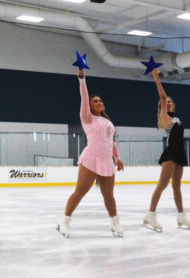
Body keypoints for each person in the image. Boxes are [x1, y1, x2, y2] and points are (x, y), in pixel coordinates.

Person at [57, 69, 124, 237]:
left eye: (100, 100)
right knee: (80, 192)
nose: (99, 102)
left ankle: (115, 222)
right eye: (95, 101)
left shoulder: (107, 121)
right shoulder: (87, 118)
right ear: (90, 105)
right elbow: (84, 98)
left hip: (107, 161)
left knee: (109, 195)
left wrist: (117, 157)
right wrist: (82, 81)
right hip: (90, 159)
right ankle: (64, 221)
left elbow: (111, 141)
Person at [143, 69, 190, 232]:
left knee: (177, 187)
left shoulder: (176, 119)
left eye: (171, 102)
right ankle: (151, 214)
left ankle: (181, 216)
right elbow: (163, 97)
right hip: (171, 153)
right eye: (167, 102)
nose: (169, 102)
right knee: (162, 185)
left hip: (180, 153)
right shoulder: (165, 118)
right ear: (163, 107)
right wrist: (157, 78)